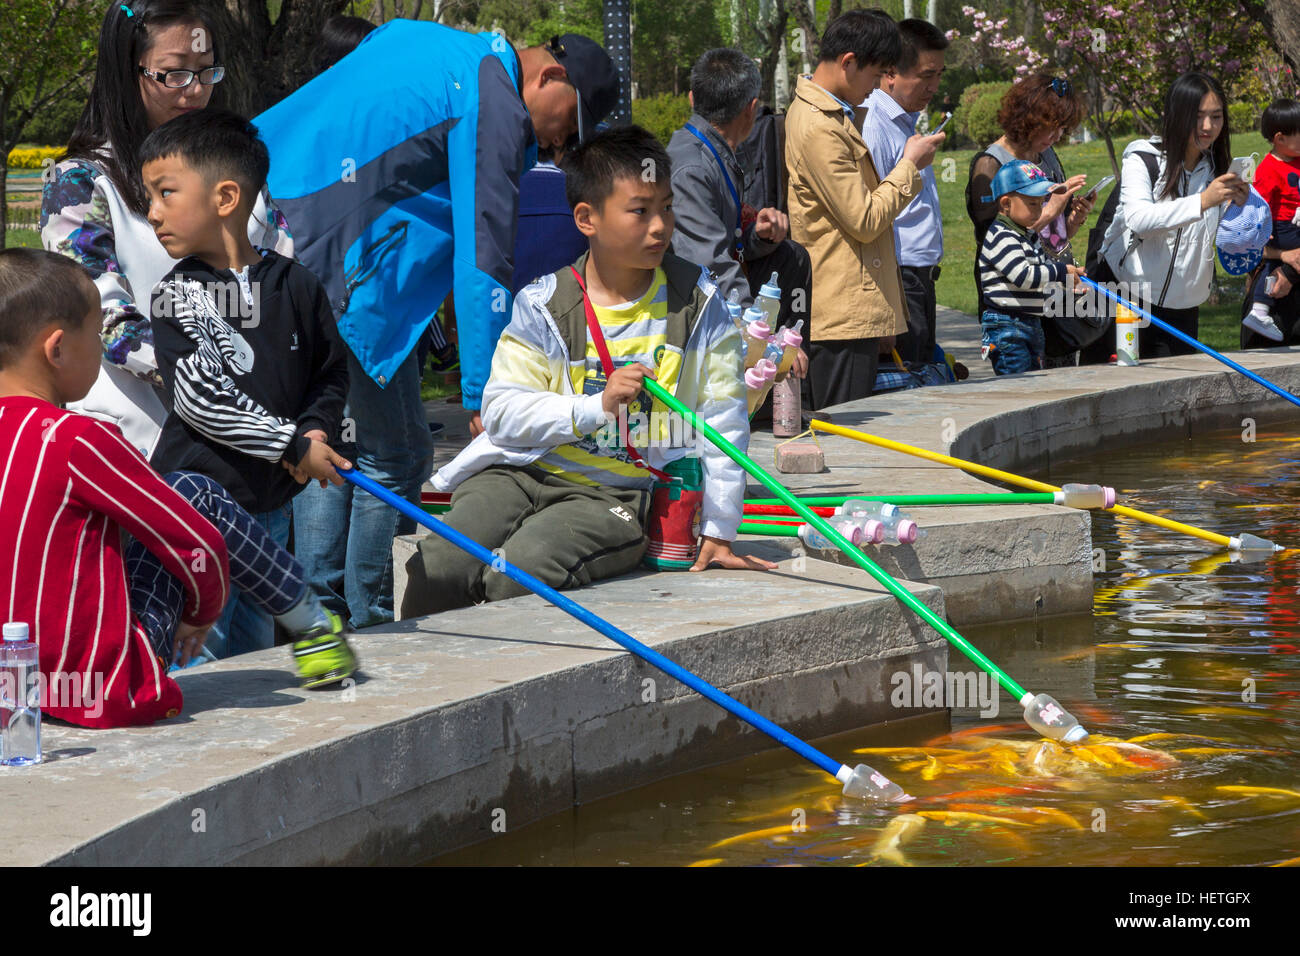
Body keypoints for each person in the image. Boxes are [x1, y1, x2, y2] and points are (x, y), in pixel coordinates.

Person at [253, 25, 620, 628]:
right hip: (330, 255)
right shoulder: (494, 95)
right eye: (568, 123)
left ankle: (326, 608)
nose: (558, 144)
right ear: (550, 76)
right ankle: (363, 618)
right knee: (396, 452)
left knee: (343, 440)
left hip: (283, 220)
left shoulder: (435, 42)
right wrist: (484, 390)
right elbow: (485, 256)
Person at [400, 126, 775, 617]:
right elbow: (501, 412)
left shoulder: (700, 305)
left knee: (516, 576)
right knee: (440, 567)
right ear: (586, 218)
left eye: (666, 207)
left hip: (612, 496)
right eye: (640, 211)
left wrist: (719, 529)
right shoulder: (543, 303)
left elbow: (724, 421)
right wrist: (593, 407)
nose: (660, 226)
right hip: (518, 473)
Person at [0, 250, 356, 728]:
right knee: (194, 491)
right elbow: (197, 540)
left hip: (15, 690)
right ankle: (313, 627)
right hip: (104, 690)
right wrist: (200, 608)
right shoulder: (79, 439)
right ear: (57, 348)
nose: (102, 350)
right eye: (95, 335)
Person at [41, 0, 292, 462]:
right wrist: (217, 376)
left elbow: (283, 271)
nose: (194, 91)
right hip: (141, 450)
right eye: (174, 73)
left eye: (207, 71)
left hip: (254, 445)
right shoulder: (79, 184)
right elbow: (98, 314)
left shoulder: (238, 171)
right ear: (126, 71)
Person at [141, 109, 351, 658]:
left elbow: (328, 373)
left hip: (269, 510)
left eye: (165, 194)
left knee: (255, 655)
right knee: (196, 652)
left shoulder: (299, 286)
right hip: (197, 510)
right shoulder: (176, 295)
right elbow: (200, 398)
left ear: (226, 198)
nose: (152, 213)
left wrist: (317, 431)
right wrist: (290, 444)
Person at [784, 10, 943, 411]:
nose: (875, 89)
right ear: (848, 62)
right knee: (845, 428)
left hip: (854, 306)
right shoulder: (820, 126)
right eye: (874, 77)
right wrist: (909, 165)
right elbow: (865, 219)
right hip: (840, 311)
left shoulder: (833, 115)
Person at [666, 48, 811, 366]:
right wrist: (761, 340)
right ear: (752, 109)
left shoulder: (712, 151)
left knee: (789, 256)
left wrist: (755, 235)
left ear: (692, 98)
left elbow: (725, 242)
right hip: (690, 320)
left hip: (707, 300)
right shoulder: (692, 167)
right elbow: (713, 267)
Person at [1097, 72, 1248, 358]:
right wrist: (1203, 200)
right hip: (1128, 299)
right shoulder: (1143, 158)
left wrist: (1242, 211)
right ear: (1176, 115)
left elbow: (1226, 239)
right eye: (1198, 116)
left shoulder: (1218, 168)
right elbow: (1139, 219)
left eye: (1216, 117)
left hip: (1184, 308)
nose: (1208, 126)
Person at [965, 75, 1093, 342]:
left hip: (1051, 288)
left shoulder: (1044, 154)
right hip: (1014, 310)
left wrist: (1071, 221)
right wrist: (1050, 212)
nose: (1057, 136)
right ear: (1028, 119)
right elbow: (997, 241)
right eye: (1051, 127)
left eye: (1063, 129)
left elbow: (1050, 236)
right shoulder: (990, 165)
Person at [861, 18, 949, 366]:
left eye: (940, 75)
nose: (934, 87)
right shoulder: (874, 126)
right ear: (891, 72)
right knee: (909, 392)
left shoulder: (904, 123)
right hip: (899, 279)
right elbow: (871, 215)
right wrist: (887, 304)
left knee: (925, 380)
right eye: (926, 75)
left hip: (920, 280)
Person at [978, 161, 1086, 375]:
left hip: (1029, 322)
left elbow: (1041, 271)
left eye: (1042, 203)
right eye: (1032, 204)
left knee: (1034, 381)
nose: (1040, 211)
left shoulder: (1026, 235)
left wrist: (1068, 284)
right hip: (1007, 326)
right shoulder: (1002, 236)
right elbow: (1024, 276)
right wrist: (1061, 271)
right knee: (1018, 387)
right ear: (1006, 204)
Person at [1241, 99, 1300, 342]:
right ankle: (1260, 310)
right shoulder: (1267, 169)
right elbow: (1259, 206)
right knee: (1269, 267)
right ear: (1280, 138)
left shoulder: (1296, 160)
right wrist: (1262, 229)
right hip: (1282, 228)